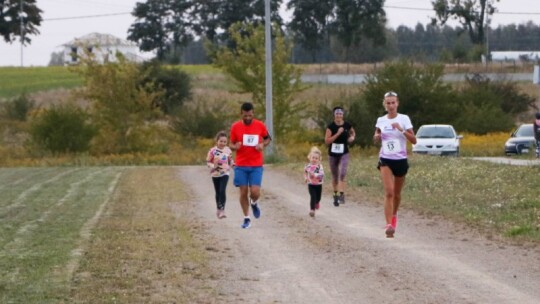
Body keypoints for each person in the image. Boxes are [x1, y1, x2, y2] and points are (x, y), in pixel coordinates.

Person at [373, 91, 417, 238]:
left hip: (400, 159)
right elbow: (376, 136)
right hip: (385, 158)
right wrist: (377, 137)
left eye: (393, 102)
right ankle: (388, 225)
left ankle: (394, 216)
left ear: (397, 103)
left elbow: (414, 140)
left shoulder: (404, 119)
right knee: (389, 192)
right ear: (384, 105)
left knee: (397, 195)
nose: (391, 105)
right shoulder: (381, 120)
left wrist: (401, 129)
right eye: (388, 103)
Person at [230, 102, 272, 229]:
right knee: (243, 192)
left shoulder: (260, 125)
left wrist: (262, 145)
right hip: (241, 165)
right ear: (241, 114)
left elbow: (268, 138)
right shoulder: (235, 127)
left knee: (254, 192)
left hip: (256, 165)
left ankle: (254, 203)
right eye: (245, 116)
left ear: (253, 113)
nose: (248, 118)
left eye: (250, 115)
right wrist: (235, 147)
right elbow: (230, 144)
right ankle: (246, 218)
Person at [324, 106, 356, 207]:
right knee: (335, 176)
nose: (339, 116)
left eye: (340, 114)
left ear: (343, 115)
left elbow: (353, 132)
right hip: (333, 154)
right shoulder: (330, 127)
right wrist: (338, 133)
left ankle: (342, 195)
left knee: (342, 173)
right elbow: (327, 141)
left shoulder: (347, 125)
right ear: (334, 115)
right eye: (337, 114)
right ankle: (335, 195)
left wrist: (352, 137)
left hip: (344, 152)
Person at [206, 131, 234, 219]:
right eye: (221, 141)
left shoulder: (228, 150)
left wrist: (233, 164)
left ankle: (222, 210)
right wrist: (213, 166)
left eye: (224, 142)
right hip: (215, 174)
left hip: (225, 173)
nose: (222, 143)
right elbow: (208, 162)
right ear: (217, 141)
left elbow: (230, 160)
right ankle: (218, 208)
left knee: (222, 190)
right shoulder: (212, 151)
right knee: (218, 192)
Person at [304, 147, 325, 217]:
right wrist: (306, 178)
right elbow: (305, 172)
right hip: (311, 184)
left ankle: (317, 202)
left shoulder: (319, 166)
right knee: (313, 196)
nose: (314, 159)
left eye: (316, 158)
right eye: (313, 157)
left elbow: (321, 174)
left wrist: (315, 175)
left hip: (318, 184)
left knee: (318, 197)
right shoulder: (308, 166)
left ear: (319, 159)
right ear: (310, 158)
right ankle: (312, 210)